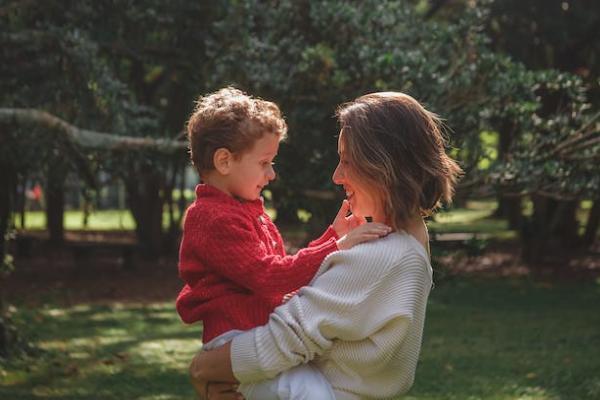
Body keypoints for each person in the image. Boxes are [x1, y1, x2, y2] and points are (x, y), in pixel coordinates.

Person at [188, 91, 463, 400]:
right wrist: (334, 240)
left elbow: (285, 337)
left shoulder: (384, 256)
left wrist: (203, 370)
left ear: (383, 166)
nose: (336, 176)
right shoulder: (411, 242)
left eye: (347, 161)